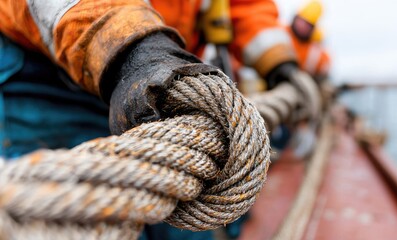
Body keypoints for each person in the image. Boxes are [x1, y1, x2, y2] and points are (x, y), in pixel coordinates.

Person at [0, 0, 320, 239]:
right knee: (61, 219)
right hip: (47, 75)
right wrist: (129, 45)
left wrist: (279, 62)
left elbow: (246, 7)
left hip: (162, 77)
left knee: (183, 225)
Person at [286, 0, 331, 82]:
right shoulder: (281, 33)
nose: (303, 26)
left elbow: (325, 68)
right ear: (296, 18)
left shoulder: (316, 52)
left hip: (299, 84)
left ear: (313, 28)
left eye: (308, 25)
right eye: (302, 21)